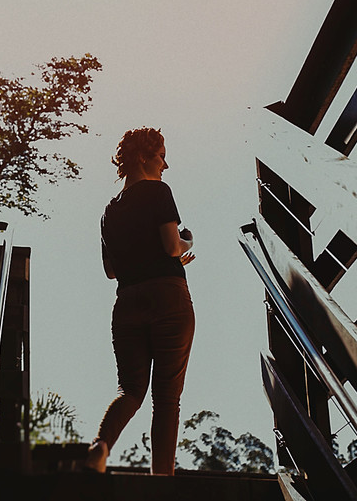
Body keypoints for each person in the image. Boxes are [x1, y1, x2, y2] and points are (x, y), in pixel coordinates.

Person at [84, 127, 196, 475]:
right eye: (161, 155)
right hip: (168, 298)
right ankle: (161, 479)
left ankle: (99, 448)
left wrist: (169, 252)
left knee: (130, 389)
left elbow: (110, 271)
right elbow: (170, 247)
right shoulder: (159, 192)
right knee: (166, 400)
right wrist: (185, 243)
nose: (166, 164)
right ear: (144, 156)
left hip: (128, 303)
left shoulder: (109, 211)